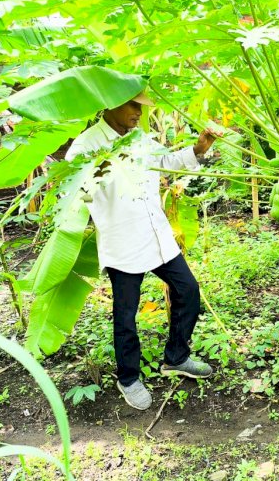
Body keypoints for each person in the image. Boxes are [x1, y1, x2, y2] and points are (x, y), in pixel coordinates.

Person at [65, 92, 222, 411]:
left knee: (188, 290)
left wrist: (197, 149)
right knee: (125, 315)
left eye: (141, 106)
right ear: (111, 103)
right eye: (133, 105)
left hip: (156, 235)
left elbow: (165, 161)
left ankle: (176, 358)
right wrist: (100, 168)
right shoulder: (85, 146)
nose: (139, 112)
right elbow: (76, 193)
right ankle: (128, 378)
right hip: (123, 242)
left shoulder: (139, 138)